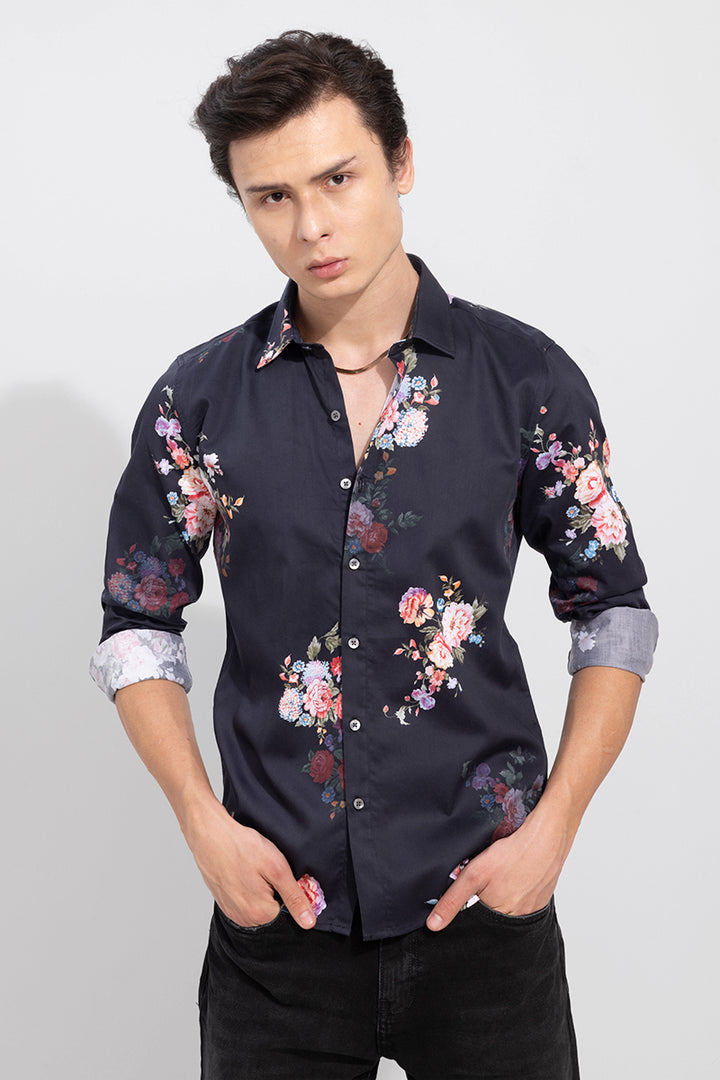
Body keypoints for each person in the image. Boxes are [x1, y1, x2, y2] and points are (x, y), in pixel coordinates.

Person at [90, 29, 658, 1080]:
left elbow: (613, 609)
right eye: (270, 197)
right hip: (279, 925)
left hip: (485, 913)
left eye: (337, 179)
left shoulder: (524, 380)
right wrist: (201, 823)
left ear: (400, 161)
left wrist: (556, 828)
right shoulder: (198, 401)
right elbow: (138, 623)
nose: (311, 226)